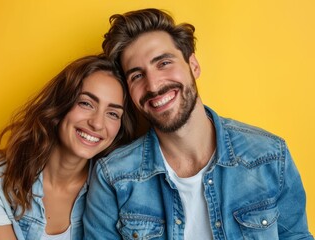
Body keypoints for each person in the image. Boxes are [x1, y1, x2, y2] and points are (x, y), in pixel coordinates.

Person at [83, 8, 314, 239]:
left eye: (163, 63)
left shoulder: (270, 157)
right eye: (137, 76)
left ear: (193, 65)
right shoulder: (113, 177)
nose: (153, 85)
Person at [0, 54, 136, 240]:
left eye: (112, 113)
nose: (97, 124)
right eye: (86, 103)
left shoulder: (120, 187)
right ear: (61, 104)